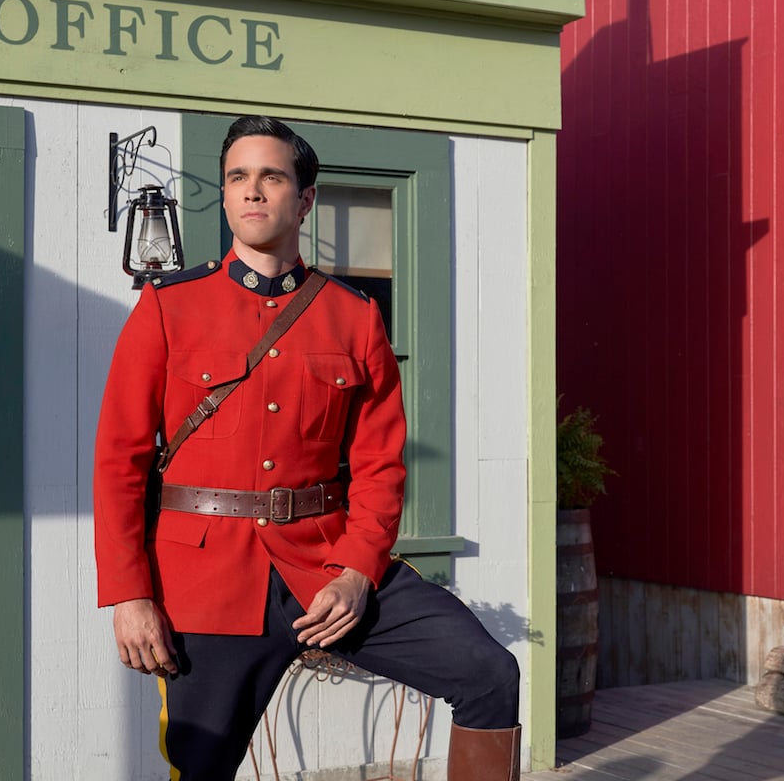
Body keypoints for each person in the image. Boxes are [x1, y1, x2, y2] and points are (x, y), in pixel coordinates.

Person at [93, 115, 522, 781]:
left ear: (306, 198)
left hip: (325, 567)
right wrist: (129, 594)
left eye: (271, 176)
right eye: (238, 177)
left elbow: (380, 464)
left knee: (490, 674)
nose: (252, 191)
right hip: (204, 583)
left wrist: (357, 569)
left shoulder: (353, 316)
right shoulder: (167, 307)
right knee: (200, 765)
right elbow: (120, 461)